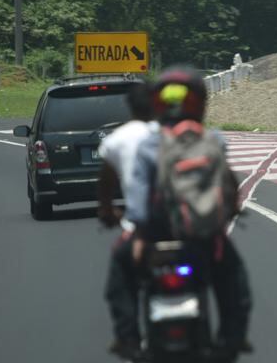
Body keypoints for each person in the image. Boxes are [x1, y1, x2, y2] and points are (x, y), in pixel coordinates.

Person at [123, 67, 253, 359]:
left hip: (156, 239)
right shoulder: (213, 140)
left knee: (122, 271)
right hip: (202, 237)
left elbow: (138, 198)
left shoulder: (148, 144)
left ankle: (127, 338)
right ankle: (232, 339)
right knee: (234, 280)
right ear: (200, 103)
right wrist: (232, 211)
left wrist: (139, 235)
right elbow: (227, 184)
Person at [97, 81, 157, 359]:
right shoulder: (173, 133)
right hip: (184, 228)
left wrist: (107, 212)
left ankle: (127, 337)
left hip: (141, 232)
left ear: (130, 107)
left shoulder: (118, 138)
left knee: (119, 282)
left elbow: (106, 183)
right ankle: (232, 331)